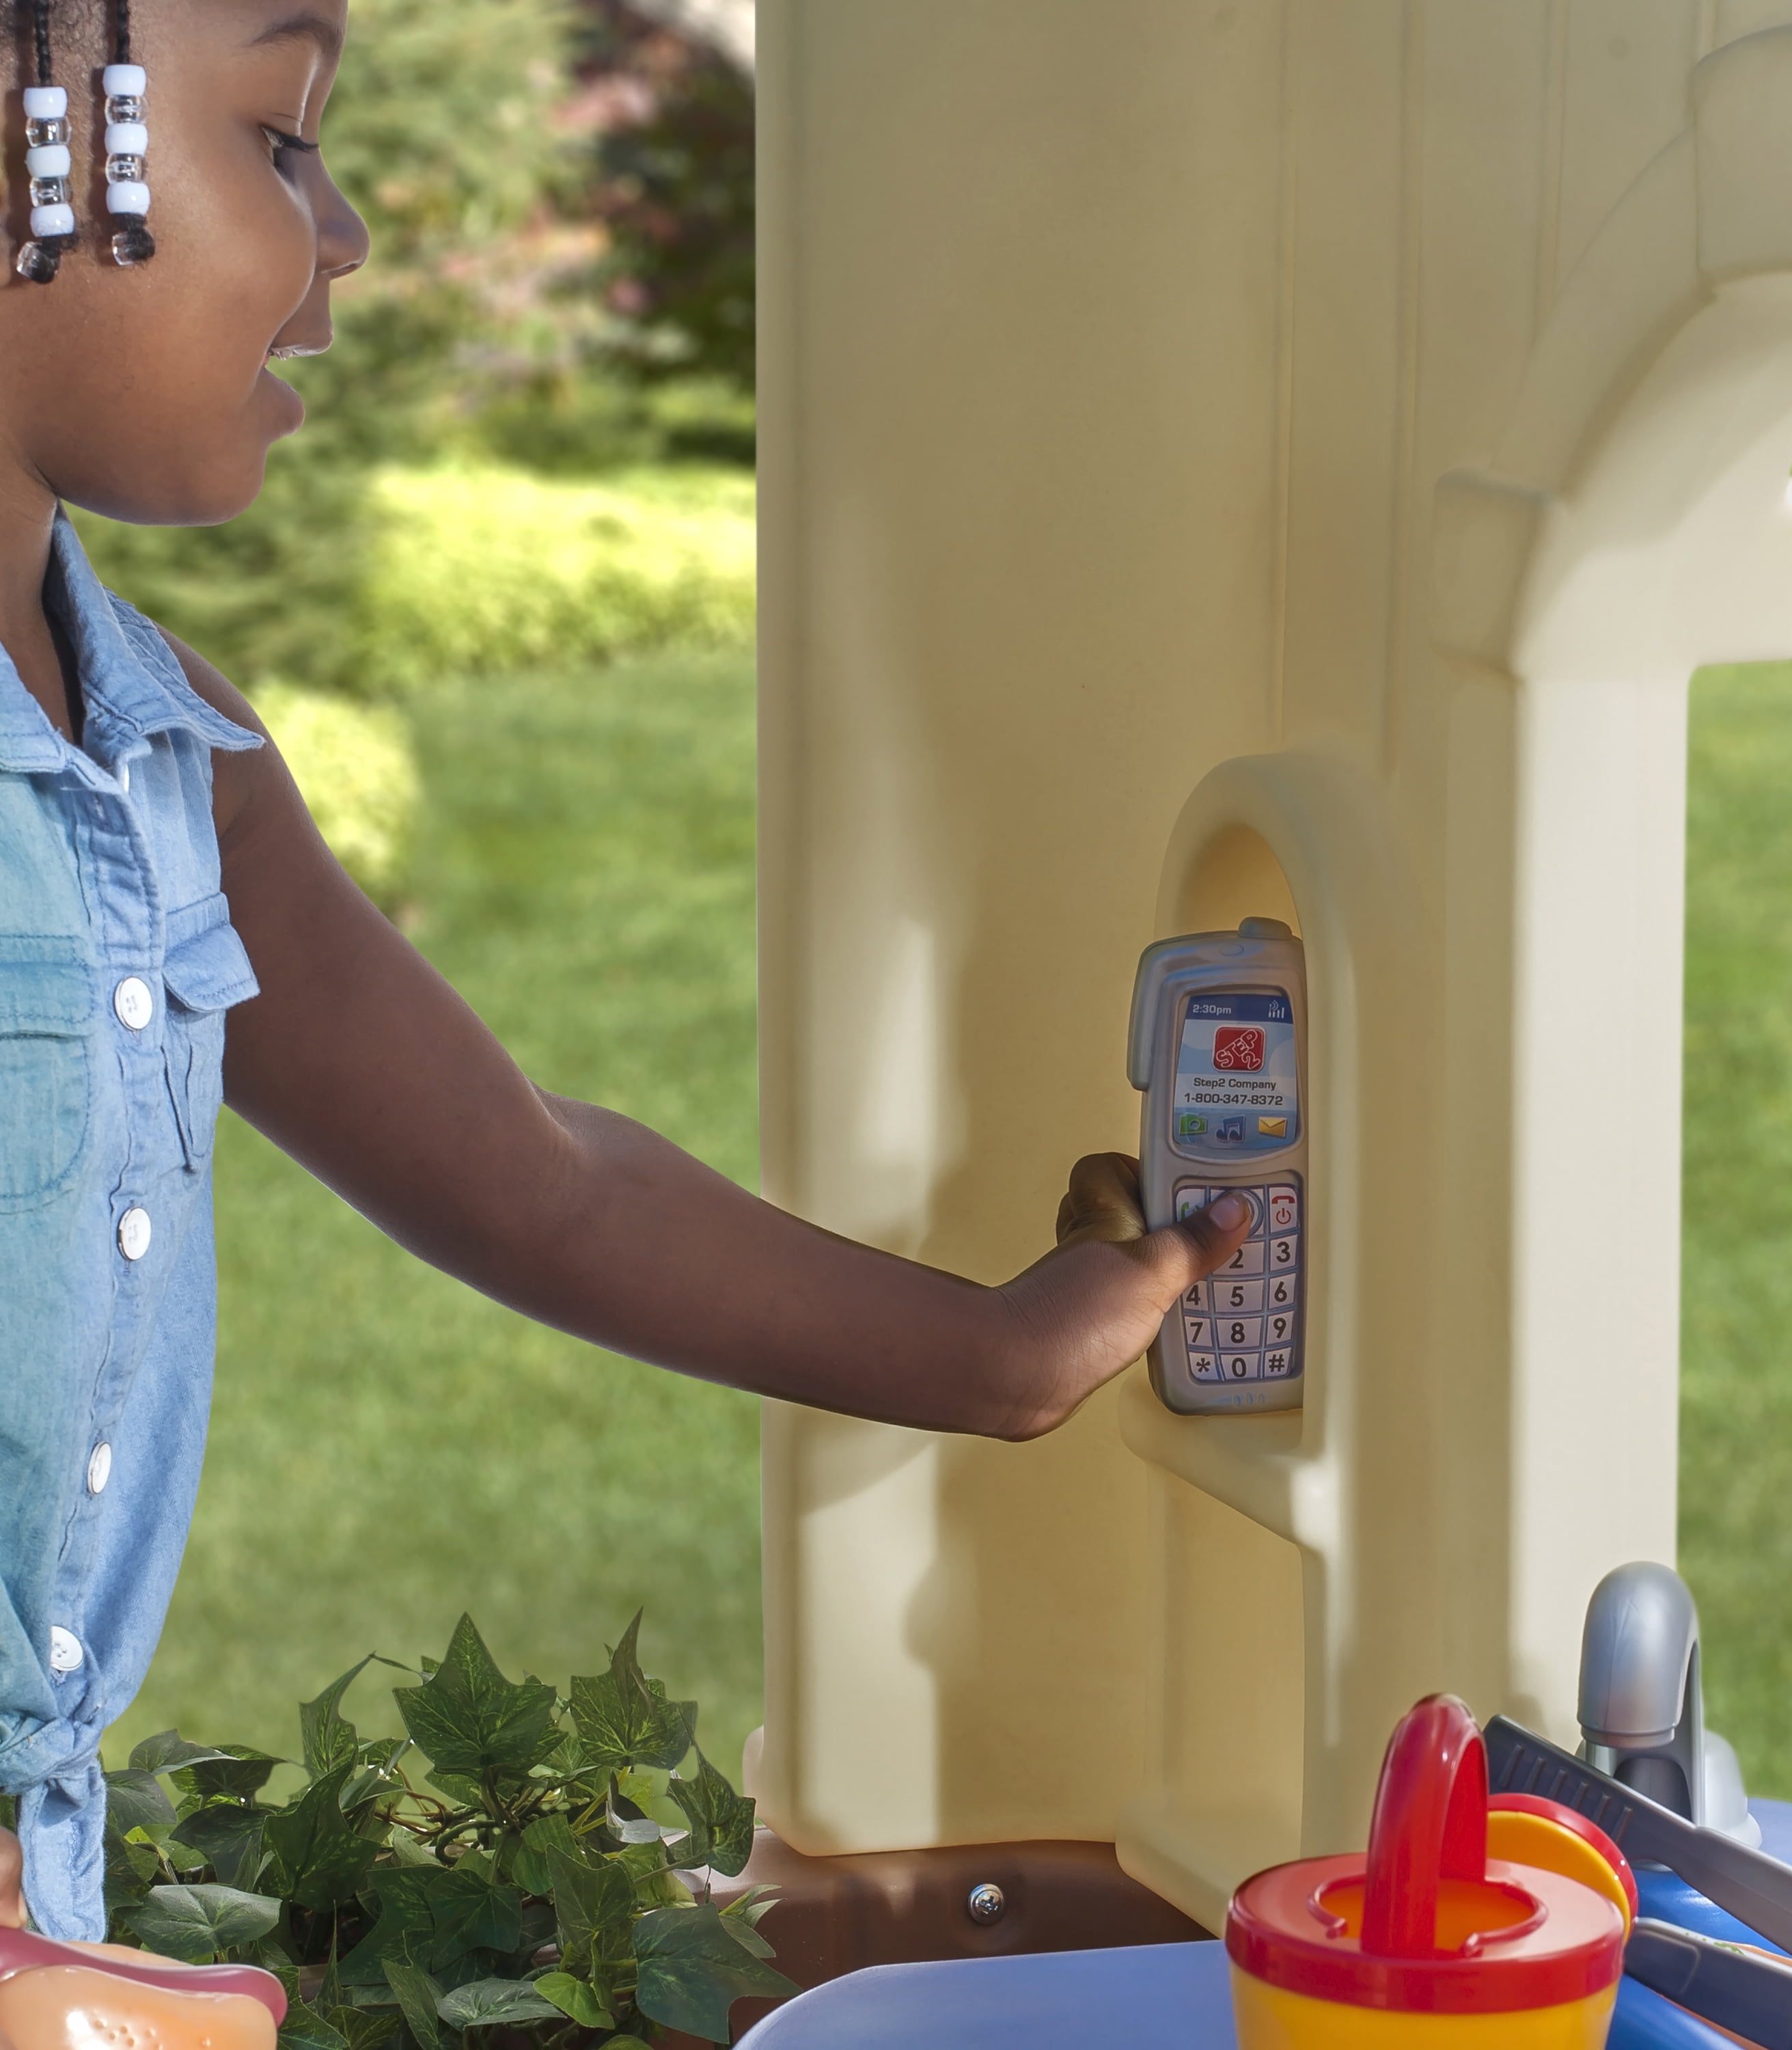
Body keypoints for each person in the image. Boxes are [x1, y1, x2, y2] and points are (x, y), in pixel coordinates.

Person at [0, 0, 1253, 1940]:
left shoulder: (168, 751)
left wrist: (1001, 1354)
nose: (338, 239)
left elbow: (544, 1187)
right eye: (280, 138)